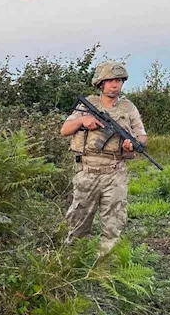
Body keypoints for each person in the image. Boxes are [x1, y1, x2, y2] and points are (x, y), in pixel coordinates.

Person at [60, 62, 147, 254]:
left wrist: (134, 144)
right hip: (87, 171)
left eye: (118, 81)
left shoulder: (128, 108)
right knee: (79, 221)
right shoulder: (87, 105)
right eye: (110, 81)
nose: (115, 85)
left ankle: (104, 265)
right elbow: (65, 130)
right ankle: (74, 260)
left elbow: (141, 136)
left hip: (115, 172)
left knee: (113, 222)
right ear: (100, 83)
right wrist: (83, 120)